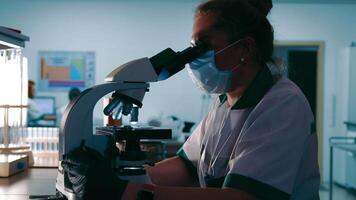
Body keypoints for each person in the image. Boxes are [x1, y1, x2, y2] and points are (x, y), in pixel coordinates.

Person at [62, 0, 320, 199]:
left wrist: (124, 193)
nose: (193, 58)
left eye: (202, 46)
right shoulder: (224, 102)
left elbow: (242, 196)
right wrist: (123, 173)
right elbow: (187, 167)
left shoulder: (282, 104)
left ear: (245, 49)